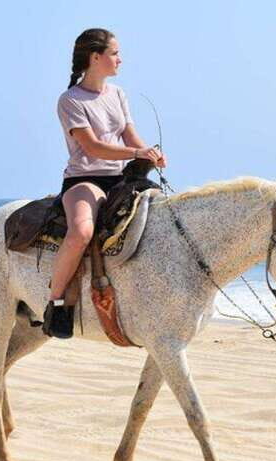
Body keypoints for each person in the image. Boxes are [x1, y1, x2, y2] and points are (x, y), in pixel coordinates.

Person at [43, 28, 166, 339]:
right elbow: (93, 147)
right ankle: (56, 302)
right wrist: (137, 151)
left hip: (121, 178)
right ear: (95, 57)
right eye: (114, 53)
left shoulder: (118, 95)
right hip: (84, 179)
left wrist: (150, 154)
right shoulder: (70, 100)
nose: (120, 59)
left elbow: (129, 136)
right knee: (81, 232)